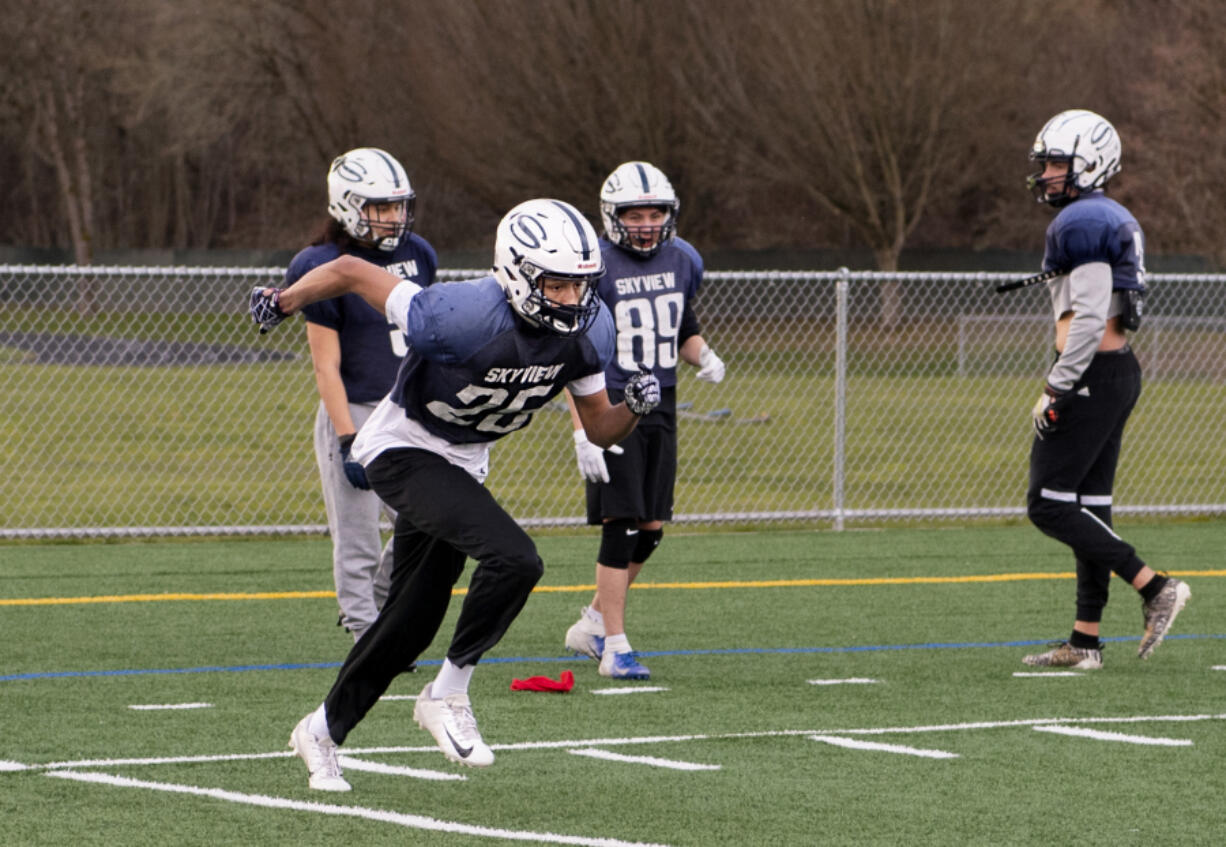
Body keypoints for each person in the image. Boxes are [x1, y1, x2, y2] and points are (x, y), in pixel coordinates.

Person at [250, 198, 661, 792]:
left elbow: (600, 425)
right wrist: (284, 300)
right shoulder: (459, 313)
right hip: (404, 447)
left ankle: (321, 731)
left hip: (462, 463)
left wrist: (634, 411)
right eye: (558, 284)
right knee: (516, 558)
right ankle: (448, 692)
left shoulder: (588, 328)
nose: (573, 299)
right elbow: (350, 272)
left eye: (580, 284)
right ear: (517, 273)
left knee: (410, 623)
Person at [1019, 109, 1189, 670]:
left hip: (1092, 371)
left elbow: (1090, 317)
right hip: (1113, 372)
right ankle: (1085, 641)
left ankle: (1154, 586)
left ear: (1090, 164)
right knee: (1087, 505)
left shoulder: (1083, 218)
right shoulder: (1103, 214)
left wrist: (1055, 385)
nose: (1046, 173)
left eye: (1057, 162)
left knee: (1046, 504)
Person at [563, 161, 725, 681]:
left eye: (656, 212)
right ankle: (615, 645)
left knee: (650, 529)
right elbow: (575, 353)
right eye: (635, 213)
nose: (647, 222)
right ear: (614, 217)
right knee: (622, 522)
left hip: (664, 403)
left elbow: (683, 326)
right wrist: (581, 431)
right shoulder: (596, 267)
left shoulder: (683, 259)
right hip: (611, 406)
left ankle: (591, 621)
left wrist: (705, 356)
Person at [289, 147, 437, 645]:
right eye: (381, 207)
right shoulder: (319, 264)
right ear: (347, 205)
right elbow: (325, 363)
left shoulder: (418, 253)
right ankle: (364, 633)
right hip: (354, 410)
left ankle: (374, 610)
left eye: (398, 206)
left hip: (410, 411)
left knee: (427, 523)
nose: (394, 217)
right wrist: (348, 436)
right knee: (358, 535)